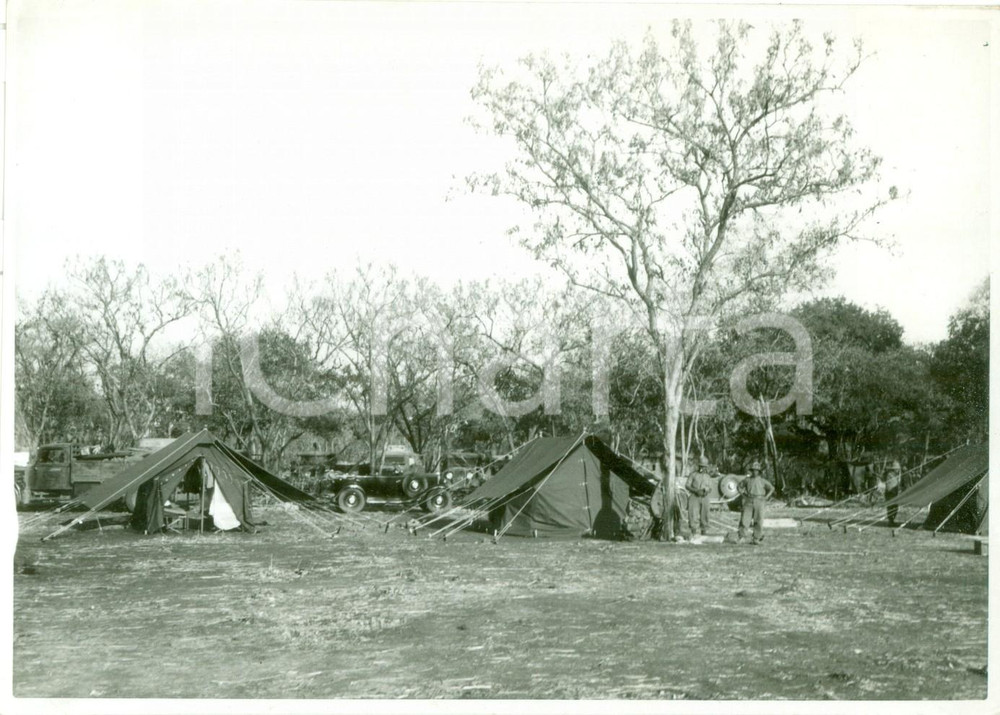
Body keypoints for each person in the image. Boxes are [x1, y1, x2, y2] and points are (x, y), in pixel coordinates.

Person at [738, 461, 775, 545]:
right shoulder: (747, 480)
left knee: (758, 520)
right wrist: (743, 495)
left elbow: (772, 488)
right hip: (748, 501)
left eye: (756, 470)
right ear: (751, 471)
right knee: (745, 519)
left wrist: (766, 497)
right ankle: (742, 537)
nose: (755, 472)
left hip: (759, 501)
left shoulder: (763, 481)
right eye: (753, 470)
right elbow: (739, 487)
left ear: (759, 472)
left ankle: (756, 538)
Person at [686, 455, 714, 536]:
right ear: (698, 466)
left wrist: (706, 491)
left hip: (705, 497)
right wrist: (695, 490)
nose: (703, 468)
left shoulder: (708, 476)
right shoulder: (693, 474)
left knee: (705, 514)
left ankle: (704, 532)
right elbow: (687, 485)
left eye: (704, 467)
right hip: (694, 496)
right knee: (693, 514)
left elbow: (710, 487)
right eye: (701, 466)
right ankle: (693, 532)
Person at [884, 460, 902, 527]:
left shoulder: (896, 476)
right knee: (891, 508)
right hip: (890, 494)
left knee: (895, 508)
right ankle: (890, 521)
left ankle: (892, 521)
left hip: (894, 494)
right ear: (894, 469)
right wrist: (892, 491)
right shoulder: (890, 475)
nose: (898, 471)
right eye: (897, 469)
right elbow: (889, 485)